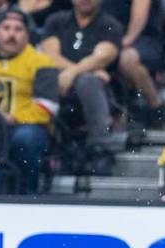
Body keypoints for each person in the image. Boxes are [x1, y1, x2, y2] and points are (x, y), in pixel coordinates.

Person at [0, 9, 59, 193]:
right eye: (6, 28)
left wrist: (14, 118)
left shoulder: (42, 62)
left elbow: (48, 106)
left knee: (24, 139)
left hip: (25, 127)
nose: (12, 34)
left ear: (27, 35)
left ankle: (28, 195)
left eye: (18, 29)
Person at [40, 0, 121, 175]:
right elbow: (50, 56)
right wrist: (74, 72)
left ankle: (100, 147)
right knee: (45, 76)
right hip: (59, 85)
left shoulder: (109, 24)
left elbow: (102, 57)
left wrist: (72, 73)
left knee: (88, 81)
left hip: (98, 91)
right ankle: (47, 145)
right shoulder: (56, 20)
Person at [102, 0, 165, 126]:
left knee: (127, 59)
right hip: (101, 39)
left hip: (139, 39)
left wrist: (123, 42)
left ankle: (155, 105)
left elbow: (136, 24)